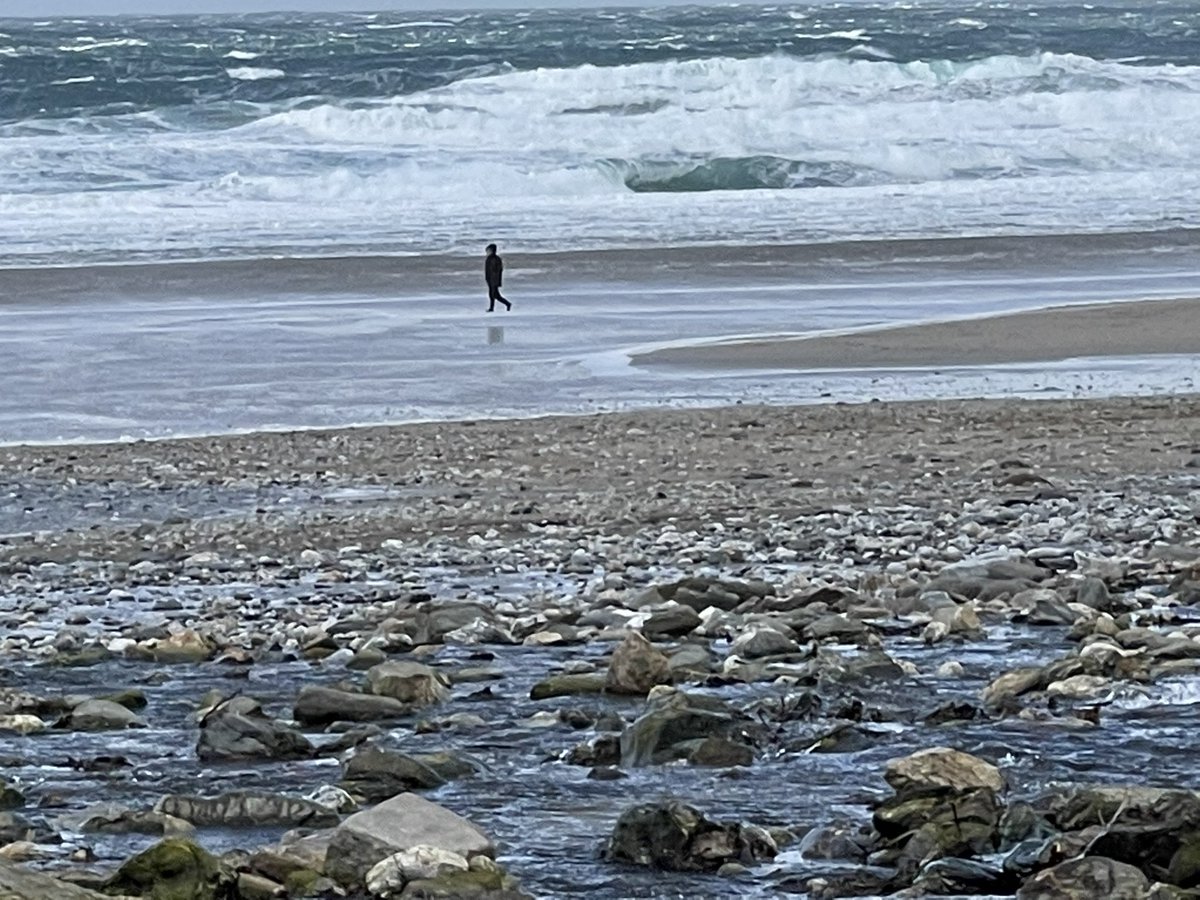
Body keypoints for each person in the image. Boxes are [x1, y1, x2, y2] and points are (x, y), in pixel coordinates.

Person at [484, 243, 511, 312]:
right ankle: (507, 304)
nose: (487, 252)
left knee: (493, 294)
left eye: (488, 250)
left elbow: (499, 270)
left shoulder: (496, 259)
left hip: (494, 280)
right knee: (495, 295)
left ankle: (492, 308)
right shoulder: (489, 259)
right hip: (490, 279)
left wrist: (496, 279)